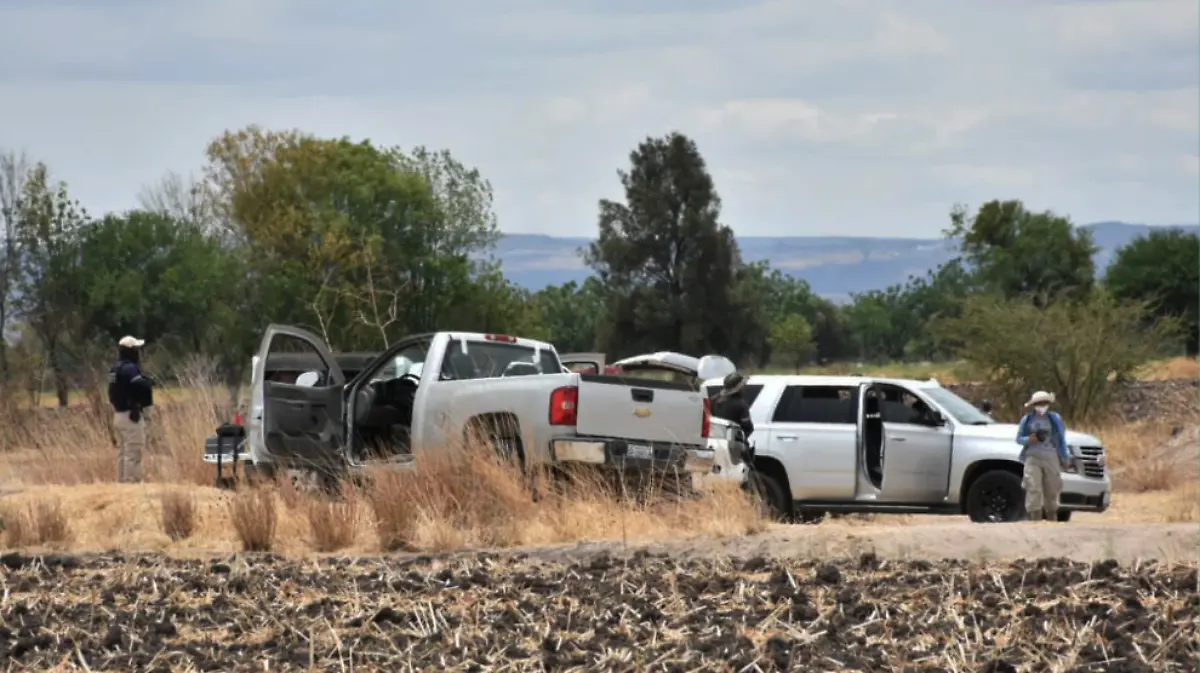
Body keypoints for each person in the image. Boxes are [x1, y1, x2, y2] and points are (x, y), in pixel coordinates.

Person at [1015, 390, 1072, 522]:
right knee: (1033, 486)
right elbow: (1019, 439)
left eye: (1044, 403)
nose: (1042, 405)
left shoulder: (1055, 419)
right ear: (1034, 405)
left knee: (1052, 488)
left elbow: (1061, 440)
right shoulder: (1027, 419)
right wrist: (1031, 439)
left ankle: (1052, 516)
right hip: (1032, 457)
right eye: (1039, 403)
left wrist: (1065, 457)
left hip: (1051, 457)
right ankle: (1035, 518)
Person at [107, 336, 155, 483]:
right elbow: (140, 386)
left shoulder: (114, 369)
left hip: (118, 415)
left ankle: (122, 483)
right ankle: (131, 482)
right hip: (131, 416)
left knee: (123, 452)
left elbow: (112, 391)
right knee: (133, 452)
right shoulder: (131, 369)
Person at [712, 372, 754, 440]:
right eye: (743, 385)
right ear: (739, 388)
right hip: (733, 443)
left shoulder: (714, 400)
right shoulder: (740, 404)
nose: (745, 387)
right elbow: (748, 427)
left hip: (715, 441)